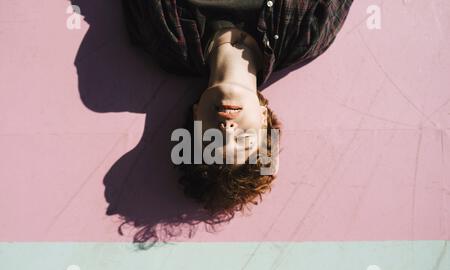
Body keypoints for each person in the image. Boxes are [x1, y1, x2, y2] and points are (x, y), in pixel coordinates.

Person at [122, 0, 353, 219]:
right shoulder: (305, 34)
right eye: (244, 140)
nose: (228, 129)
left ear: (195, 118)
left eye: (211, 141)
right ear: (264, 120)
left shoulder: (163, 36)